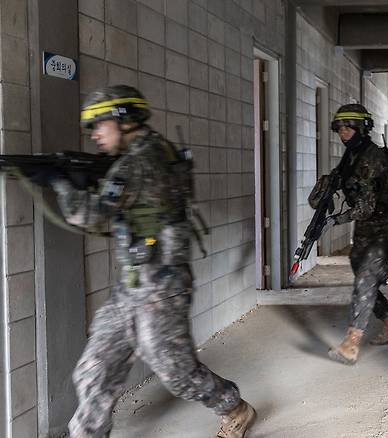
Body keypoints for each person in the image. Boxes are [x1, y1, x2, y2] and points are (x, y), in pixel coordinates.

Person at [47, 85, 256, 438]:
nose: (94, 135)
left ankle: (234, 408)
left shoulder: (139, 162)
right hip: (133, 283)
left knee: (176, 371)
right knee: (94, 368)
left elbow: (94, 216)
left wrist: (59, 183)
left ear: (124, 120)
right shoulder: (154, 152)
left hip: (162, 285)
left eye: (99, 125)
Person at [311, 103, 388, 365]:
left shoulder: (371, 158)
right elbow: (341, 187)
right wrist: (327, 186)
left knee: (366, 277)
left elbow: (365, 207)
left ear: (362, 129)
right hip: (365, 229)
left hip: (384, 228)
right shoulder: (350, 157)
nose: (343, 133)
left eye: (348, 128)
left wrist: (334, 220)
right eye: (339, 128)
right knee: (361, 273)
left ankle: (351, 343)